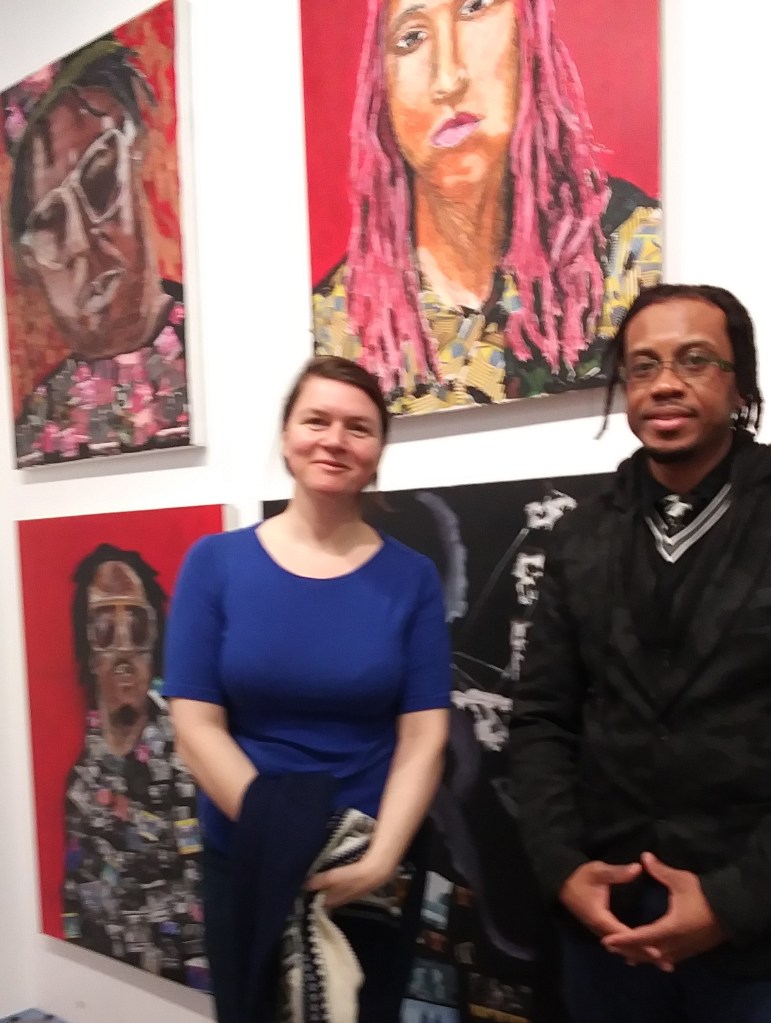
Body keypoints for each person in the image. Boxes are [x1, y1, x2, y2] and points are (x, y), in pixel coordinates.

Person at [508, 283, 771, 1022]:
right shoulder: (581, 536)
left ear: (739, 383)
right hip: (607, 926)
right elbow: (539, 721)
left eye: (694, 360)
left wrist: (732, 902)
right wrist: (563, 869)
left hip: (767, 939)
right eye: (643, 365)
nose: (665, 383)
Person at [163, 355, 451, 1022]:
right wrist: (285, 836)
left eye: (358, 427)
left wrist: (381, 858)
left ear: (378, 451)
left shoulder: (411, 579)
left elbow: (424, 737)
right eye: (316, 420)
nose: (334, 440)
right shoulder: (215, 564)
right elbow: (195, 727)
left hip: (367, 869)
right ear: (287, 435)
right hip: (249, 857)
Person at [312, 0, 662, 413]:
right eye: (411, 38)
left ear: (529, 31)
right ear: (380, 89)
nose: (448, 79)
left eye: (475, 7)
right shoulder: (336, 327)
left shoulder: (635, 254)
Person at [2, 31, 189, 466]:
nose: (84, 247)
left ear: (136, 154)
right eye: (49, 228)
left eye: (101, 179)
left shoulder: (222, 351)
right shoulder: (39, 424)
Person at [62, 544, 204, 985]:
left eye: (137, 625)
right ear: (88, 651)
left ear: (155, 639)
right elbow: (76, 900)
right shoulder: (81, 783)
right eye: (105, 627)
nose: (124, 648)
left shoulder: (191, 761)